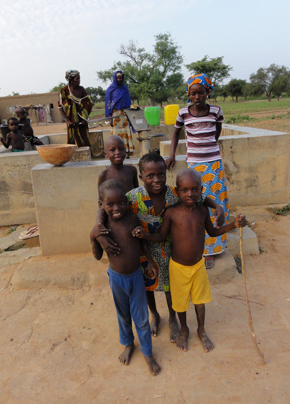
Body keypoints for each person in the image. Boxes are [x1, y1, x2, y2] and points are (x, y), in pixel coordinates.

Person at [95, 151, 224, 343]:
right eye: (150, 176)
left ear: (166, 173)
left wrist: (218, 207)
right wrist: (98, 231)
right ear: (141, 177)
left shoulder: (174, 193)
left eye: (161, 174)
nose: (157, 179)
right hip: (144, 249)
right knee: (148, 286)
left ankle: (173, 318)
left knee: (171, 286)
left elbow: (200, 197)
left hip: (171, 249)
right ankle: (155, 314)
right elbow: (106, 206)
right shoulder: (132, 197)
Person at [132, 168, 247, 353]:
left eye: (195, 189)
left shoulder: (202, 211)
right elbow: (161, 236)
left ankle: (201, 330)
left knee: (200, 302)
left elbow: (213, 232)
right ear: (177, 191)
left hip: (198, 266)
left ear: (201, 190)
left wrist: (234, 225)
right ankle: (184, 330)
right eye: (184, 190)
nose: (190, 194)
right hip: (177, 267)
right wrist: (144, 235)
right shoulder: (171, 213)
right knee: (180, 303)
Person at [90, 179, 161, 376]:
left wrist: (151, 262)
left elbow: (142, 244)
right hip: (116, 278)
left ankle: (147, 352)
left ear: (126, 201)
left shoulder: (132, 219)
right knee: (123, 315)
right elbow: (97, 256)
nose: (116, 208)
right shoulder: (103, 228)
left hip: (136, 276)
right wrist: (93, 236)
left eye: (121, 202)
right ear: (101, 205)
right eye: (110, 204)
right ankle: (128, 344)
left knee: (142, 317)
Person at [166, 73, 230, 270]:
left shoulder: (216, 111)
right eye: (193, 94)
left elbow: (217, 132)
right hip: (194, 165)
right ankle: (199, 246)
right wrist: (171, 155)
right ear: (189, 94)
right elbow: (176, 132)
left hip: (214, 164)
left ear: (207, 92)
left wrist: (209, 145)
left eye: (200, 93)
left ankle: (213, 249)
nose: (197, 97)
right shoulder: (183, 113)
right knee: (197, 204)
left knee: (217, 204)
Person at [58, 70, 94, 148]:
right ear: (71, 80)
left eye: (79, 78)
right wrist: (68, 120)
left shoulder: (81, 90)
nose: (79, 80)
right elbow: (60, 107)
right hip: (71, 121)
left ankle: (86, 158)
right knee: (72, 140)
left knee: (84, 139)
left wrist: (85, 119)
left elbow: (89, 105)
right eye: (77, 79)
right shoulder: (64, 90)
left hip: (82, 120)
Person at [105, 71, 134, 156]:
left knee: (125, 132)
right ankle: (116, 154)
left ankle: (126, 152)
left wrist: (130, 114)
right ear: (114, 78)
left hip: (125, 114)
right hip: (115, 115)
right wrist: (110, 117)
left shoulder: (125, 89)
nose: (119, 79)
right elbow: (108, 103)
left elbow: (128, 102)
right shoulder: (110, 89)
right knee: (116, 134)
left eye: (120, 77)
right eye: (117, 78)